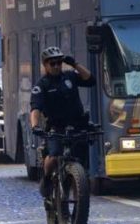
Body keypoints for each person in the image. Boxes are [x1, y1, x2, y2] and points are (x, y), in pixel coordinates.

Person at [29, 45, 95, 198]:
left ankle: (80, 181)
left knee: (83, 153)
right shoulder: (41, 85)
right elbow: (35, 109)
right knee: (53, 156)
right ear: (45, 65)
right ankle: (46, 180)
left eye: (59, 63)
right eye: (52, 63)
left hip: (77, 125)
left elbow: (91, 80)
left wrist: (75, 64)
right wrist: (35, 126)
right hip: (56, 127)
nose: (57, 66)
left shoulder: (70, 76)